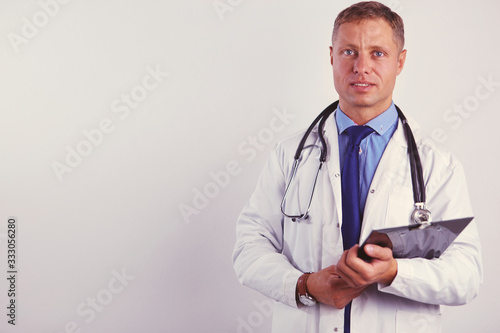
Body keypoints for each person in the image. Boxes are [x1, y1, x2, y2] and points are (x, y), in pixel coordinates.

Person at [232, 1, 482, 332]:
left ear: (400, 61)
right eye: (350, 52)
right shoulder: (290, 154)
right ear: (331, 56)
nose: (361, 67)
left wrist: (394, 273)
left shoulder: (438, 165)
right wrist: (304, 285)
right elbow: (249, 246)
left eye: (377, 53)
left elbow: (466, 275)